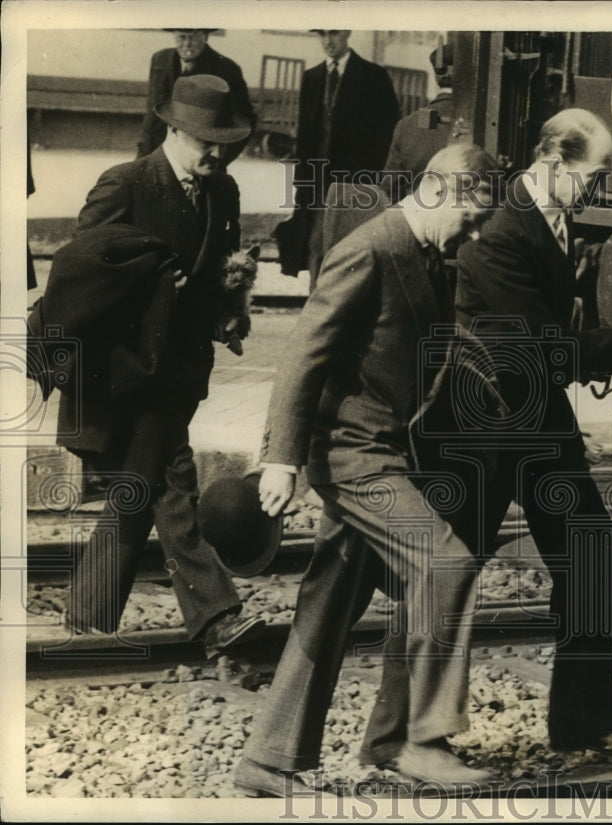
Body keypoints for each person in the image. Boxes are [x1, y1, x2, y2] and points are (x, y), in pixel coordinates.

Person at [360, 108, 612, 755]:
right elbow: (542, 348)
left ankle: (584, 724)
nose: (597, 189)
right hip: (481, 428)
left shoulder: (553, 214)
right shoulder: (498, 227)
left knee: (591, 549)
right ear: (552, 160)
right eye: (593, 176)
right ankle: (398, 735)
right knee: (445, 572)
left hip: (534, 421)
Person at [234, 143, 499, 797]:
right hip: (351, 453)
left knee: (331, 601)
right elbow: (304, 354)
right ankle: (418, 740)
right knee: (445, 563)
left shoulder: (430, 255)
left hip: (387, 449)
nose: (473, 236)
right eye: (471, 219)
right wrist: (280, 459)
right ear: (438, 190)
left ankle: (271, 757)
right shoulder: (370, 248)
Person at [54, 75, 264, 658]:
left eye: (224, 144)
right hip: (123, 372)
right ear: (173, 130)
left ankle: (88, 614)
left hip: (178, 372)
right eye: (205, 142)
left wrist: (229, 312)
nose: (216, 154)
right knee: (173, 483)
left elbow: (220, 271)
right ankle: (216, 615)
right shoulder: (125, 183)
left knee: (141, 486)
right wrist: (149, 288)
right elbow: (79, 273)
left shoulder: (223, 192)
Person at [291, 30, 400, 289]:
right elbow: (305, 138)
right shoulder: (312, 77)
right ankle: (317, 304)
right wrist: (301, 185)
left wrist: (374, 184)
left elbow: (388, 134)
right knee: (317, 246)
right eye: (322, 34)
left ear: (348, 32)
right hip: (318, 185)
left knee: (352, 251)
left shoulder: (373, 76)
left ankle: (348, 307)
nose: (328, 41)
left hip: (356, 185)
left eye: (334, 33)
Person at [137, 28, 256, 164]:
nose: (187, 44)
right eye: (181, 37)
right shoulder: (160, 60)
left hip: (201, 161)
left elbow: (247, 120)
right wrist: (143, 155)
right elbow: (151, 113)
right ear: (174, 36)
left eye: (193, 38)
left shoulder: (227, 69)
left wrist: (220, 160)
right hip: (156, 153)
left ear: (206, 37)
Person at [383, 42, 457, 202]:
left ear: (437, 77)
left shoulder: (406, 125)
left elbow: (390, 189)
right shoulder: (477, 123)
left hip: (418, 212)